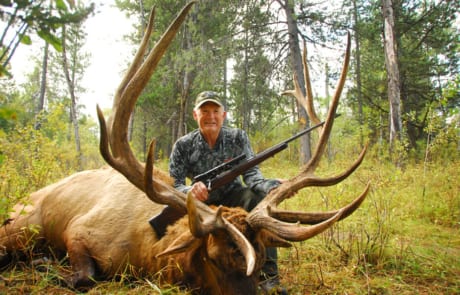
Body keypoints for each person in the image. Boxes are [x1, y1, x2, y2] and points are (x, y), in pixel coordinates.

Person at [150, 91, 287, 294]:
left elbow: (252, 175)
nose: (211, 116)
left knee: (258, 202)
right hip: (202, 204)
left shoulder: (238, 137)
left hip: (234, 198)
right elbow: (175, 184)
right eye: (205, 111)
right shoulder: (183, 145)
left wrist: (271, 186)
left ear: (224, 115)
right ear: (195, 115)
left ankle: (269, 276)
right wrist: (191, 191)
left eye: (215, 111)